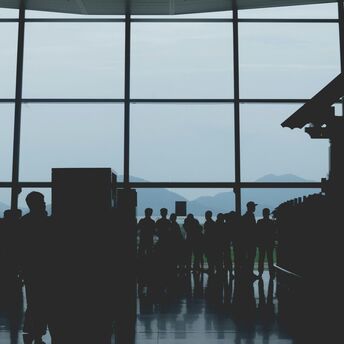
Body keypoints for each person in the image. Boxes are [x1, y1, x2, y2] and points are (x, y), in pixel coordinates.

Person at [20, 192, 50, 344]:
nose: (44, 203)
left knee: (34, 301)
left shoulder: (24, 222)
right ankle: (37, 331)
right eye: (42, 201)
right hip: (44, 269)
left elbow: (20, 249)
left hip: (31, 269)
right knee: (43, 301)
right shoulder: (46, 222)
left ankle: (33, 329)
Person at [257, 208, 276, 278]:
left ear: (263, 213)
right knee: (270, 259)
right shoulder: (272, 222)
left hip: (262, 243)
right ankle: (271, 273)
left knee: (261, 258)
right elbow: (274, 233)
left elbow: (257, 233)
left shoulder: (259, 222)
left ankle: (260, 273)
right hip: (269, 242)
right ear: (268, 213)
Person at [241, 201, 258, 279]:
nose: (254, 208)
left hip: (246, 241)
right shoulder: (250, 216)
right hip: (250, 241)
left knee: (248, 257)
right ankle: (249, 273)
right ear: (250, 207)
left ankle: (247, 273)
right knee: (250, 257)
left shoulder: (245, 216)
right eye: (253, 206)